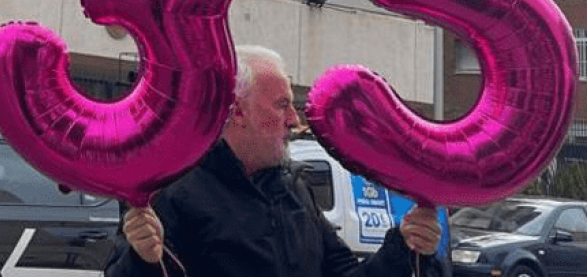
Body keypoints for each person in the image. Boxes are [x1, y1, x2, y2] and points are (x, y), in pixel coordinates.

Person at [106, 46, 442, 277]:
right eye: (282, 105)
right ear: (238, 111)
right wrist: (143, 260)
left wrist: (404, 246)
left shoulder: (295, 189)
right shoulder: (173, 190)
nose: (294, 119)